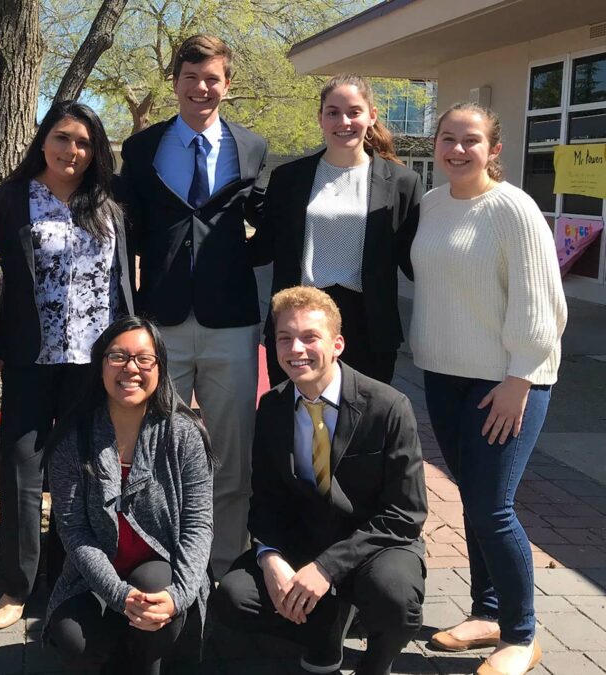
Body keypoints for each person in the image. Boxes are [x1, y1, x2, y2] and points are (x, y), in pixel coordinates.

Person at [412, 103, 567, 675]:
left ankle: (522, 635)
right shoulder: (431, 204)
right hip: (443, 376)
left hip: (503, 381)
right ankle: (488, 612)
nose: (457, 149)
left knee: (492, 506)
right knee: (473, 502)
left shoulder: (513, 208)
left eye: (470, 140)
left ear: (494, 149)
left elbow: (543, 303)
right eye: (447, 138)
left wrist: (519, 379)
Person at [213, 286, 427, 675]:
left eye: (310, 337)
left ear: (337, 344)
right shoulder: (273, 407)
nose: (296, 350)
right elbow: (265, 499)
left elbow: (405, 513)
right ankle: (323, 634)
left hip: (373, 545)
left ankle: (376, 664)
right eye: (284, 338)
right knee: (233, 597)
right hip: (304, 540)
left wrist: (327, 568)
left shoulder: (388, 406)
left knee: (395, 600)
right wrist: (270, 557)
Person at [118, 33, 268, 577]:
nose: (201, 87)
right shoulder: (141, 150)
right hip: (163, 322)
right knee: (160, 446)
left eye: (213, 79)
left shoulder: (252, 147)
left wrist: (232, 256)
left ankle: (226, 562)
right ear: (174, 81)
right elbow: (126, 233)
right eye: (191, 77)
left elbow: (267, 224)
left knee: (232, 451)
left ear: (226, 86)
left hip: (232, 320)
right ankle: (163, 559)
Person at [0, 100, 134, 630]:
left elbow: (123, 285)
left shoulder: (109, 204)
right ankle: (17, 585)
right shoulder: (11, 200)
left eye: (84, 142)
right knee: (23, 470)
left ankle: (72, 575)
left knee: (82, 473)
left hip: (94, 365)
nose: (72, 151)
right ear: (42, 140)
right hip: (33, 358)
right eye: (62, 138)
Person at [45, 316, 213, 674]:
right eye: (117, 357)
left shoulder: (184, 435)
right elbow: (74, 533)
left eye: (143, 359)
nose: (130, 368)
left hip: (161, 570)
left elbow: (199, 526)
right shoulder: (73, 439)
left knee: (155, 593)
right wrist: (119, 597)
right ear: (100, 364)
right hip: (93, 576)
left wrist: (176, 597)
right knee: (74, 640)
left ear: (160, 367)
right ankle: (119, 646)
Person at [260, 74, 422, 385]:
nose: (343, 121)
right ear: (320, 117)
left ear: (372, 116)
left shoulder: (403, 183)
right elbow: (264, 245)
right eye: (333, 112)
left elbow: (416, 259)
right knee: (294, 422)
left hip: (369, 326)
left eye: (354, 112)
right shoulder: (288, 179)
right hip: (298, 319)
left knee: (362, 426)